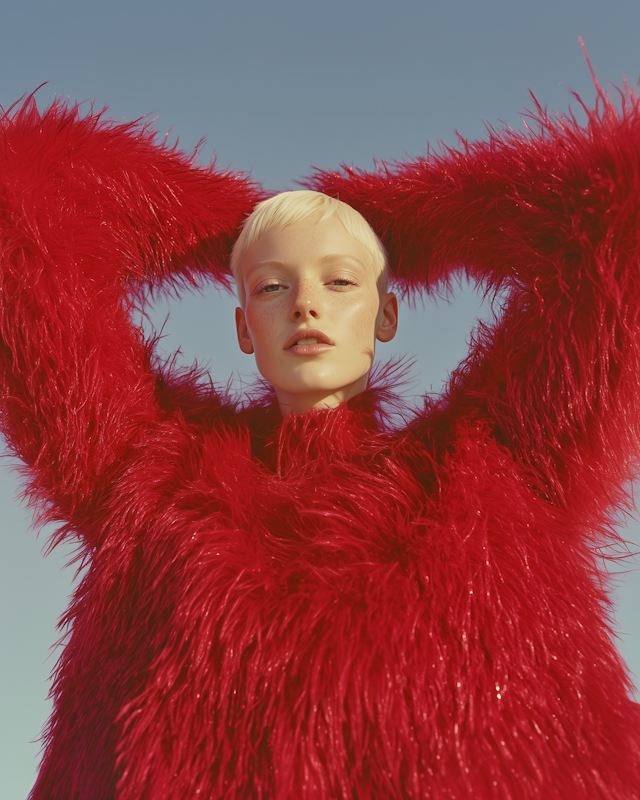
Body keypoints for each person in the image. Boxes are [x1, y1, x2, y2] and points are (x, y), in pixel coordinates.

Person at [1, 78, 639, 800]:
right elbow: (18, 215)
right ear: (244, 327)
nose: (305, 300)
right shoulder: (146, 481)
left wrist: (404, 219)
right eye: (272, 286)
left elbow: (620, 220)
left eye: (340, 281)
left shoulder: (497, 469)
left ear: (387, 313)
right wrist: (225, 225)